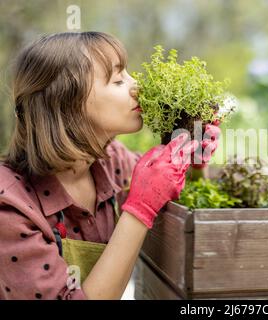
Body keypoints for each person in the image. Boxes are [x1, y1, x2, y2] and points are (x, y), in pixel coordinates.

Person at [0, 31, 220, 300]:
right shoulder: (10, 206)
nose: (136, 86)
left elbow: (171, 194)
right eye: (117, 80)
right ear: (67, 104)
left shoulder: (111, 159)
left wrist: (192, 161)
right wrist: (140, 209)